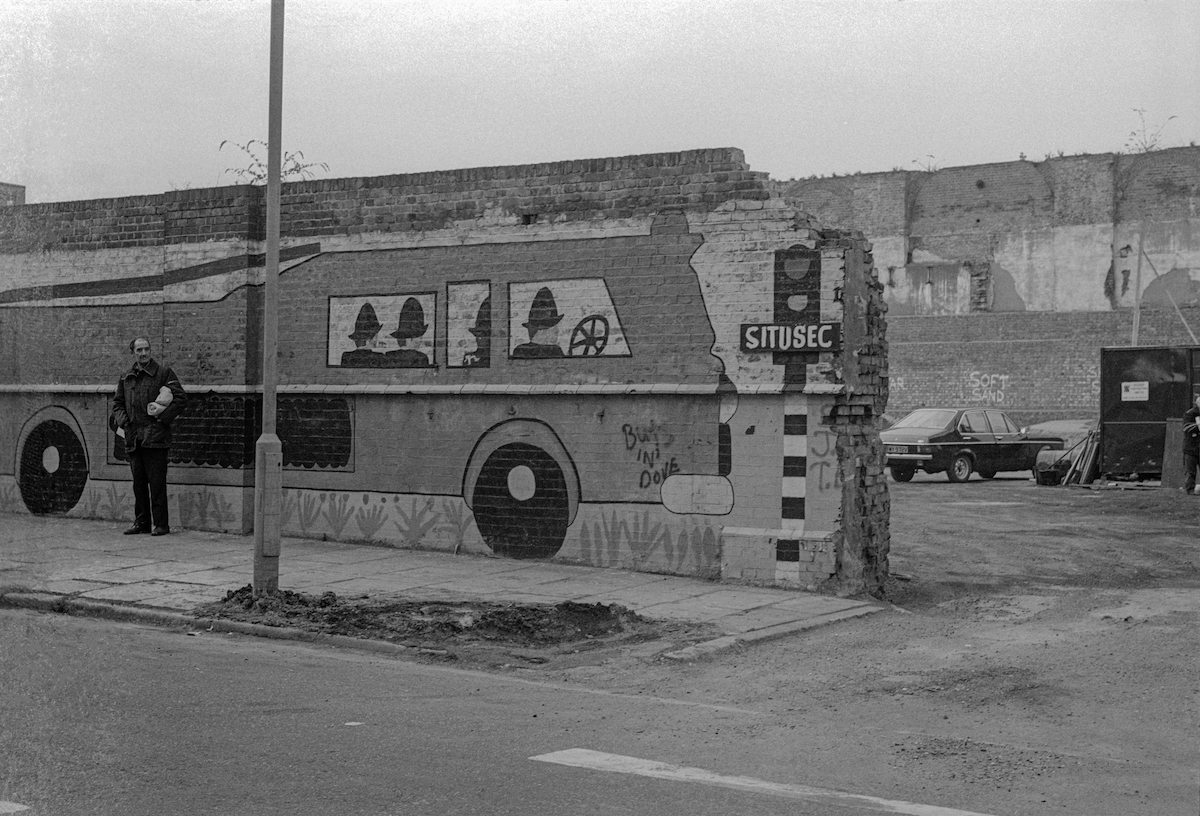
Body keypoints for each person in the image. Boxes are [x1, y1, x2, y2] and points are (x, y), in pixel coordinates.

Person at [111, 337, 187, 535]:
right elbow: (118, 403)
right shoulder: (126, 377)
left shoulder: (163, 373)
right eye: (139, 350)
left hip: (156, 437)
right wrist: (124, 423)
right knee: (138, 484)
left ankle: (161, 524)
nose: (143, 353)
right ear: (133, 353)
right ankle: (141, 522)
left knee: (157, 483)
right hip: (134, 437)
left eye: (146, 349)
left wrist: (162, 420)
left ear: (150, 351)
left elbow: (180, 399)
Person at [512, 286, 565, 358]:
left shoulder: (520, 350)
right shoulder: (555, 351)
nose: (557, 331)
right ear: (542, 330)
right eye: (554, 327)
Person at [383, 298, 431, 367]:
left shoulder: (388, 356)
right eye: (418, 336)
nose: (420, 340)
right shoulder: (421, 358)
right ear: (410, 339)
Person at [340, 302, 387, 367]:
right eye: (376, 335)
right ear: (369, 338)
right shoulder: (379, 357)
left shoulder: (346, 356)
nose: (377, 339)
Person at [1183, 391, 1200, 495]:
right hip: (1191, 448)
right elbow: (1186, 427)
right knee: (1190, 471)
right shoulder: (1190, 414)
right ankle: (1190, 489)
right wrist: (1197, 427)